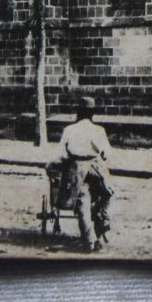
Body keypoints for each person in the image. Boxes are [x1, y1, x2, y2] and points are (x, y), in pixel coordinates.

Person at [56, 96, 113, 251]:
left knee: (83, 202)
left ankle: (89, 241)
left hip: (77, 168)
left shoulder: (69, 130)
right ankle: (102, 222)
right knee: (107, 193)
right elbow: (107, 154)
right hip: (96, 168)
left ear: (78, 113)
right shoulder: (99, 130)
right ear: (91, 114)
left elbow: (62, 155)